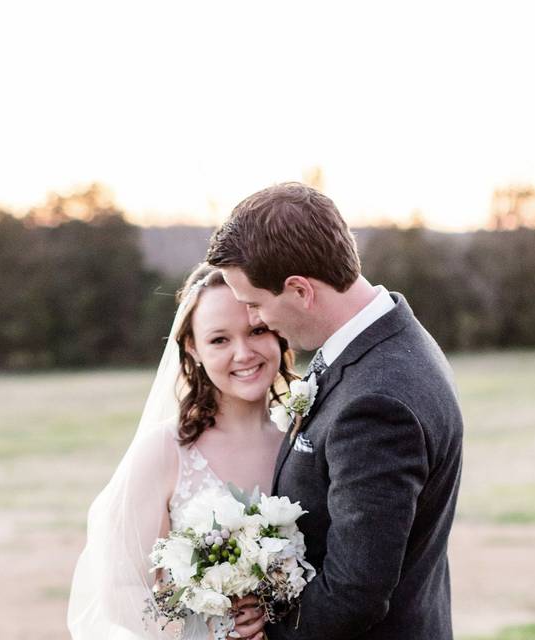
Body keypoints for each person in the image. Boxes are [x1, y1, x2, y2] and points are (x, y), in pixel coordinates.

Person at [207, 182, 464, 640]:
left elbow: (356, 589)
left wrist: (271, 633)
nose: (257, 320)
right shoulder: (385, 341)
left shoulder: (376, 403)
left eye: (255, 304)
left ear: (300, 290)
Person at [68, 263, 298, 639]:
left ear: (279, 333)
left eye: (257, 330)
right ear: (193, 348)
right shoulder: (165, 451)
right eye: (219, 340)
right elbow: (121, 591)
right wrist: (209, 629)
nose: (243, 353)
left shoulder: (302, 442)